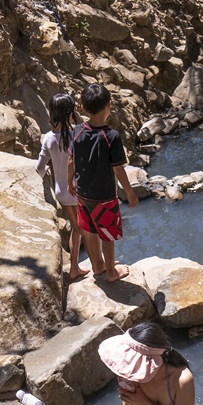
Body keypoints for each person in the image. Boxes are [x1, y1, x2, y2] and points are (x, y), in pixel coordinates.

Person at [67, 83, 139, 282]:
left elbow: (71, 160)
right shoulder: (111, 136)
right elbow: (118, 168)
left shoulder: (78, 131)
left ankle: (97, 266)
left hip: (83, 193)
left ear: (83, 108)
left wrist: (69, 182)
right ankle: (111, 272)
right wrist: (130, 192)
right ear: (110, 104)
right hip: (105, 197)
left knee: (89, 231)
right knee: (107, 234)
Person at [35, 93, 87, 280]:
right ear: (70, 112)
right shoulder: (78, 133)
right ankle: (80, 266)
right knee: (85, 228)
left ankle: (75, 267)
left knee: (77, 227)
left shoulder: (48, 138)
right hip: (78, 189)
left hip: (61, 191)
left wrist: (44, 179)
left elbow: (39, 168)